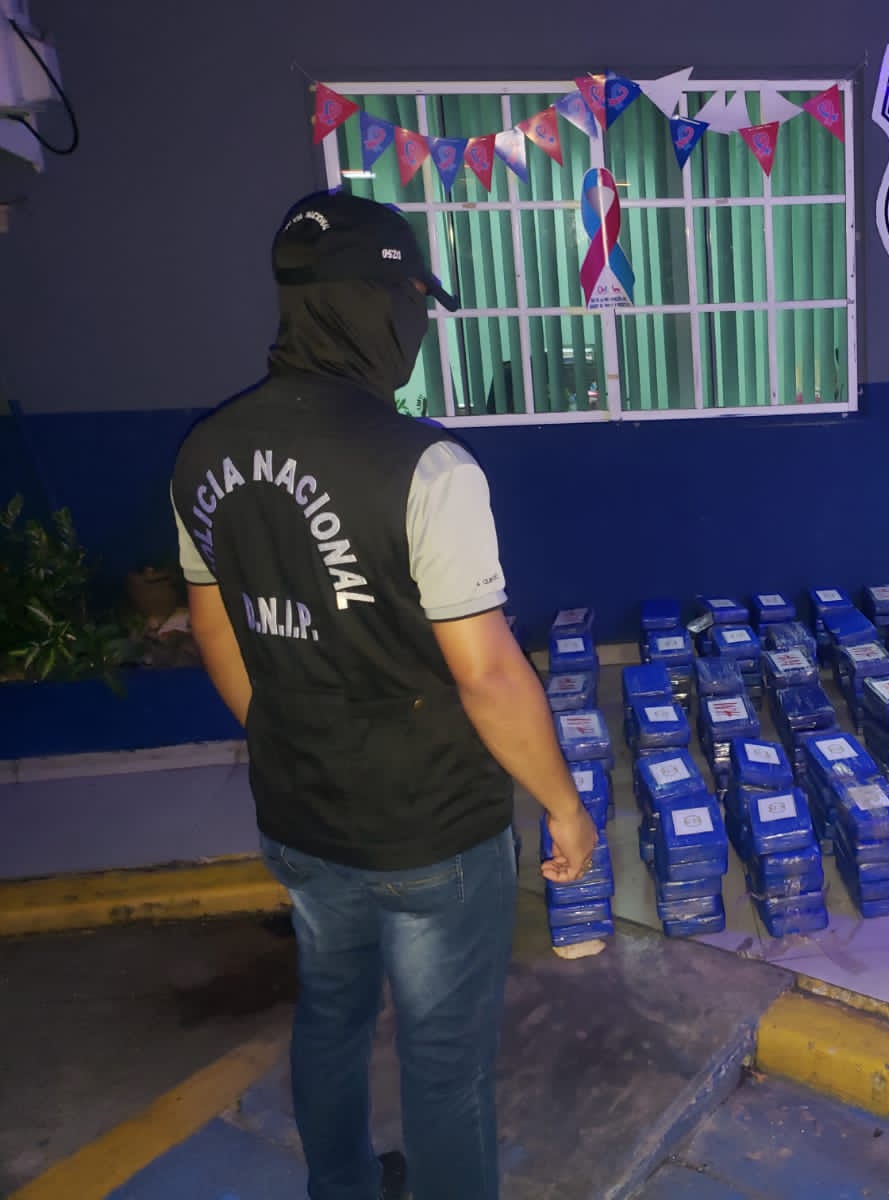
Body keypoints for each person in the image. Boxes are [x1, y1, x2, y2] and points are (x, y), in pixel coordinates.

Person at [171, 189, 598, 1200]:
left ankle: (344, 1189)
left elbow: (214, 627)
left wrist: (286, 733)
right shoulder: (425, 467)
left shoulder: (204, 450)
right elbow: (487, 673)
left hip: (301, 809)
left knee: (331, 1012)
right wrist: (564, 805)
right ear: (380, 305)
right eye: (414, 304)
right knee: (444, 1062)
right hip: (428, 826)